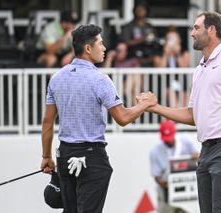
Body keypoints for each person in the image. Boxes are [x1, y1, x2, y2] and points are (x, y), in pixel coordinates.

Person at [142, 11, 221, 213]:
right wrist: (155, 107)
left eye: (196, 28)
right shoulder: (199, 69)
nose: (192, 33)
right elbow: (192, 115)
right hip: (206, 150)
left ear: (212, 30)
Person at [40, 24, 157, 213]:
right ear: (88, 48)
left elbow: (47, 122)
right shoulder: (100, 79)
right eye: (101, 44)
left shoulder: (56, 78)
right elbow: (123, 118)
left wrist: (46, 156)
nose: (104, 48)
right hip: (91, 158)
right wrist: (146, 103)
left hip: (64, 155)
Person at [150, 119, 199, 213]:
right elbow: (156, 176)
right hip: (166, 193)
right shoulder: (155, 151)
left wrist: (195, 155)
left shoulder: (185, 140)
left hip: (188, 190)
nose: (168, 141)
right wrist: (166, 183)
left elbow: (199, 155)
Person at [153, 26, 190, 107]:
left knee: (186, 97)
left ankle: (185, 117)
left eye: (174, 39)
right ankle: (178, 116)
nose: (172, 42)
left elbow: (184, 67)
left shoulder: (184, 52)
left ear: (179, 40)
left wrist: (178, 54)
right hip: (165, 83)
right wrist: (166, 54)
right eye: (170, 39)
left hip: (181, 81)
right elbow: (160, 69)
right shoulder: (159, 53)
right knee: (170, 92)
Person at [103, 41, 142, 106]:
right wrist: (109, 58)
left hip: (131, 88)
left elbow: (139, 80)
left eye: (121, 50)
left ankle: (133, 107)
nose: (119, 52)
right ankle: (135, 108)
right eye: (118, 50)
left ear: (126, 52)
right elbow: (104, 75)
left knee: (132, 76)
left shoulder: (133, 61)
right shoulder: (113, 61)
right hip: (115, 88)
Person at [120, 1, 157, 67]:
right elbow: (126, 42)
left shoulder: (149, 26)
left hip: (149, 55)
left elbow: (155, 40)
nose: (140, 12)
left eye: (142, 10)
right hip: (133, 55)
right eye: (138, 10)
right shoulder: (129, 26)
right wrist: (142, 39)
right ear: (134, 11)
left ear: (146, 11)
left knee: (157, 59)